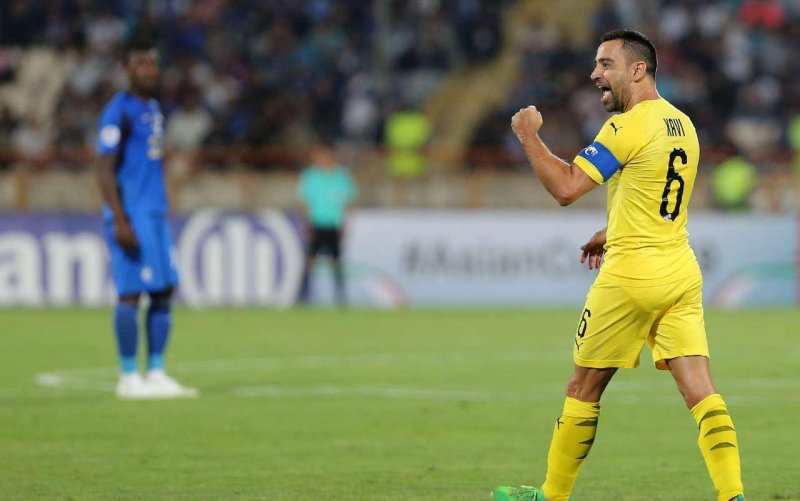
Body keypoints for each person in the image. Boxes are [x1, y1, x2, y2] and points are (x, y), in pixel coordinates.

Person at [492, 30, 744, 501]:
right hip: (680, 273)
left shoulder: (625, 126)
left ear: (638, 69)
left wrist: (527, 134)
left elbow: (567, 187)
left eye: (606, 64)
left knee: (582, 388)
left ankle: (551, 495)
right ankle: (733, 494)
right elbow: (658, 197)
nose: (595, 74)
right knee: (701, 391)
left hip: (631, 277)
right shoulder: (682, 124)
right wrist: (612, 229)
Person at [95, 40, 197, 400]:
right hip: (132, 213)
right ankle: (128, 376)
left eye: (152, 64)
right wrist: (119, 218)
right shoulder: (118, 110)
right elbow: (103, 167)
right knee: (130, 292)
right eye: (140, 64)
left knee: (163, 290)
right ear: (126, 70)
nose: (149, 70)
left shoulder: (153, 108)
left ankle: (155, 372)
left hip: (155, 212)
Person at [297, 142, 357, 306]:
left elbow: (347, 203)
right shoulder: (310, 176)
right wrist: (307, 223)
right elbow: (305, 203)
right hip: (317, 223)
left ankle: (340, 298)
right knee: (310, 262)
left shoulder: (341, 176)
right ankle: (302, 296)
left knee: (336, 263)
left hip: (334, 225)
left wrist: (345, 224)